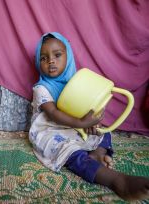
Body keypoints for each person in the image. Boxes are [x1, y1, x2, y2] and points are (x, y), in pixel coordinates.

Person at [29, 32, 149, 201]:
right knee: (70, 153)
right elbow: (54, 114)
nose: (51, 61)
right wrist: (80, 122)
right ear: (38, 62)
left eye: (57, 55)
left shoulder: (78, 83)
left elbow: (90, 106)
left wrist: (91, 121)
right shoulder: (41, 88)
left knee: (103, 132)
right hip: (51, 129)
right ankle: (116, 180)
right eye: (43, 58)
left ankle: (98, 154)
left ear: (68, 57)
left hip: (76, 124)